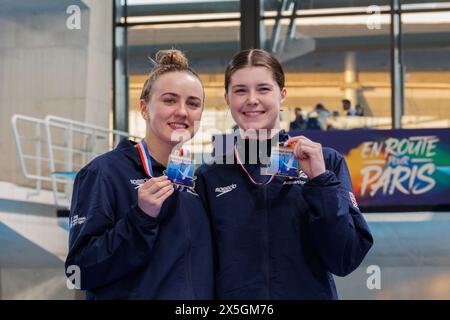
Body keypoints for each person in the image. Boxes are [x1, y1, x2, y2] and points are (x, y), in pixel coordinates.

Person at [195, 49, 373, 299]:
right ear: (227, 98)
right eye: (240, 90)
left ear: (283, 95)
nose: (252, 99)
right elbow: (198, 269)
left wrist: (321, 183)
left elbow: (346, 258)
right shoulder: (210, 175)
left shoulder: (325, 162)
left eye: (264, 89)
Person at [65, 50, 214, 299]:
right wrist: (140, 219)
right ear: (144, 108)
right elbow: (78, 272)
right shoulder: (104, 173)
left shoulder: (199, 183)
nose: (182, 112)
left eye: (193, 103)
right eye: (169, 100)